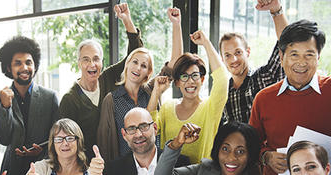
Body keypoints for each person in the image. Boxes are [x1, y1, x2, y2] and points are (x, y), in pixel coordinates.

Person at [249, 19, 331, 175]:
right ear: (281, 56)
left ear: (318, 57)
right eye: (294, 54)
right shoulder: (264, 99)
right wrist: (266, 156)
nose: (301, 62)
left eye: (309, 54)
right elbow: (250, 145)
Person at [97, 7, 184, 163]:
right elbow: (105, 142)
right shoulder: (111, 100)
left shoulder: (152, 90)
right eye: (135, 62)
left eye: (144, 66)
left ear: (148, 73)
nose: (138, 68)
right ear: (127, 64)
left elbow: (176, 64)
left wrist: (176, 25)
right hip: (127, 168)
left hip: (156, 164)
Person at [59, 3, 143, 162]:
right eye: (86, 59)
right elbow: (66, 140)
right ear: (78, 63)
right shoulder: (70, 99)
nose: (92, 64)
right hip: (88, 166)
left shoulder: (108, 77)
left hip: (118, 159)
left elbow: (135, 54)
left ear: (102, 62)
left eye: (96, 59)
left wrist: (126, 20)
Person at [0, 36, 59, 175]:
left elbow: (58, 135)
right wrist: (5, 108)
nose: (24, 67)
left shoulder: (50, 97)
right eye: (17, 63)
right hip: (11, 171)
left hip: (43, 170)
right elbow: (4, 139)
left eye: (28, 62)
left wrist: (43, 148)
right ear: (8, 68)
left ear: (35, 65)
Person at [147, 30, 229, 164]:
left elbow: (223, 80)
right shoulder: (168, 107)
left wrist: (206, 43)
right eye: (184, 76)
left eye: (195, 75)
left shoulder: (210, 108)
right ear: (177, 82)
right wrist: (156, 92)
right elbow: (149, 129)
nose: (190, 81)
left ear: (202, 80)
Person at [220, 0, 287, 123]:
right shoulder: (223, 93)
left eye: (238, 52)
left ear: (248, 52)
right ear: (222, 59)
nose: (233, 59)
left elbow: (285, 45)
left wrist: (276, 10)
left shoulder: (263, 77)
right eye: (228, 55)